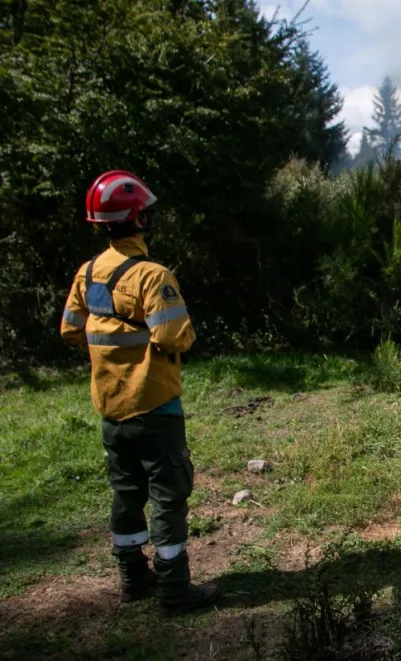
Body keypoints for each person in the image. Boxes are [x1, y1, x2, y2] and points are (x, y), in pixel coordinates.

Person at [60, 170, 219, 612]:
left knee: (126, 494)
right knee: (169, 495)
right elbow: (175, 337)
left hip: (110, 409)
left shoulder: (87, 272)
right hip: (155, 406)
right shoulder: (153, 276)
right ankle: (174, 589)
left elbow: (71, 330)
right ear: (139, 220)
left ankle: (133, 578)